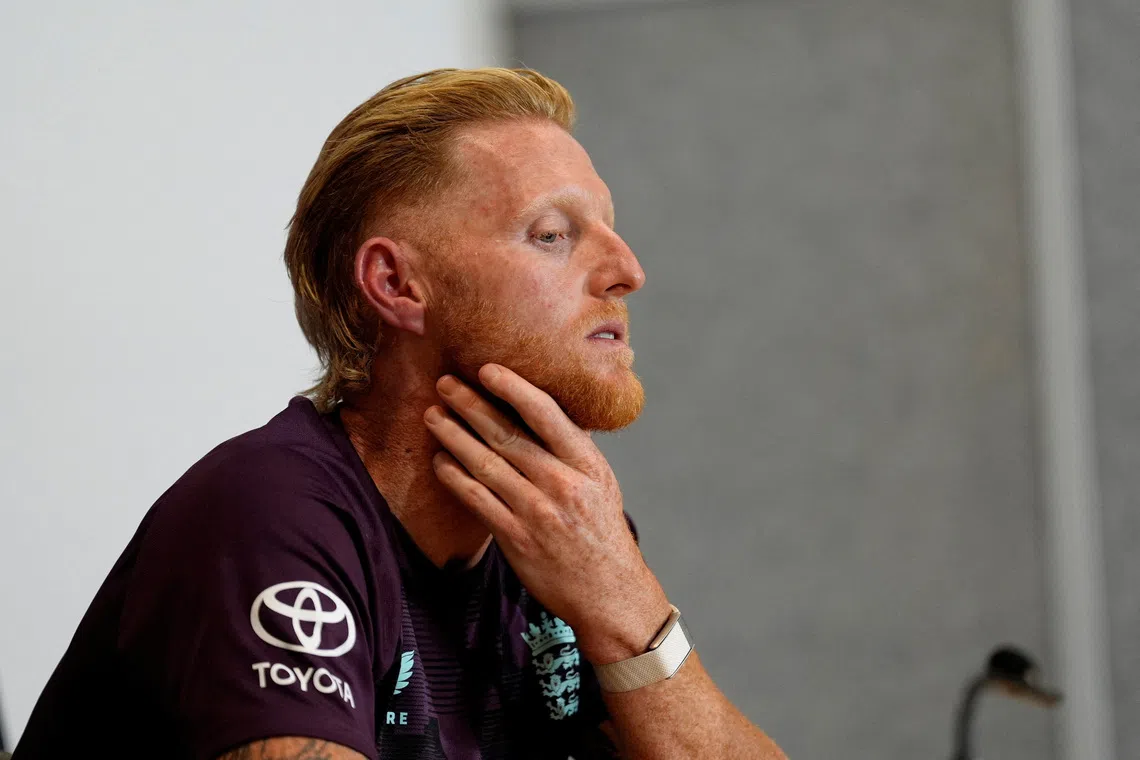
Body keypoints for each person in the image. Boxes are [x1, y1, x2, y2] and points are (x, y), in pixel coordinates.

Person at [15, 68, 787, 760]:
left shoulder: (569, 534)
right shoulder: (269, 514)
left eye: (613, 230)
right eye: (553, 235)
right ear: (397, 284)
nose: (627, 271)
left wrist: (628, 605)